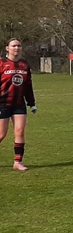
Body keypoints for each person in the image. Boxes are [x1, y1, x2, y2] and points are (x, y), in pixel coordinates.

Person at [0, 38, 37, 171]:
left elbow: (28, 86)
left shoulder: (25, 65)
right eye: (14, 46)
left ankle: (17, 162)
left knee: (20, 131)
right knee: (1, 134)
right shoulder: (1, 63)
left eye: (19, 46)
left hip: (19, 104)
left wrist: (32, 103)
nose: (17, 48)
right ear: (7, 48)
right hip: (2, 104)